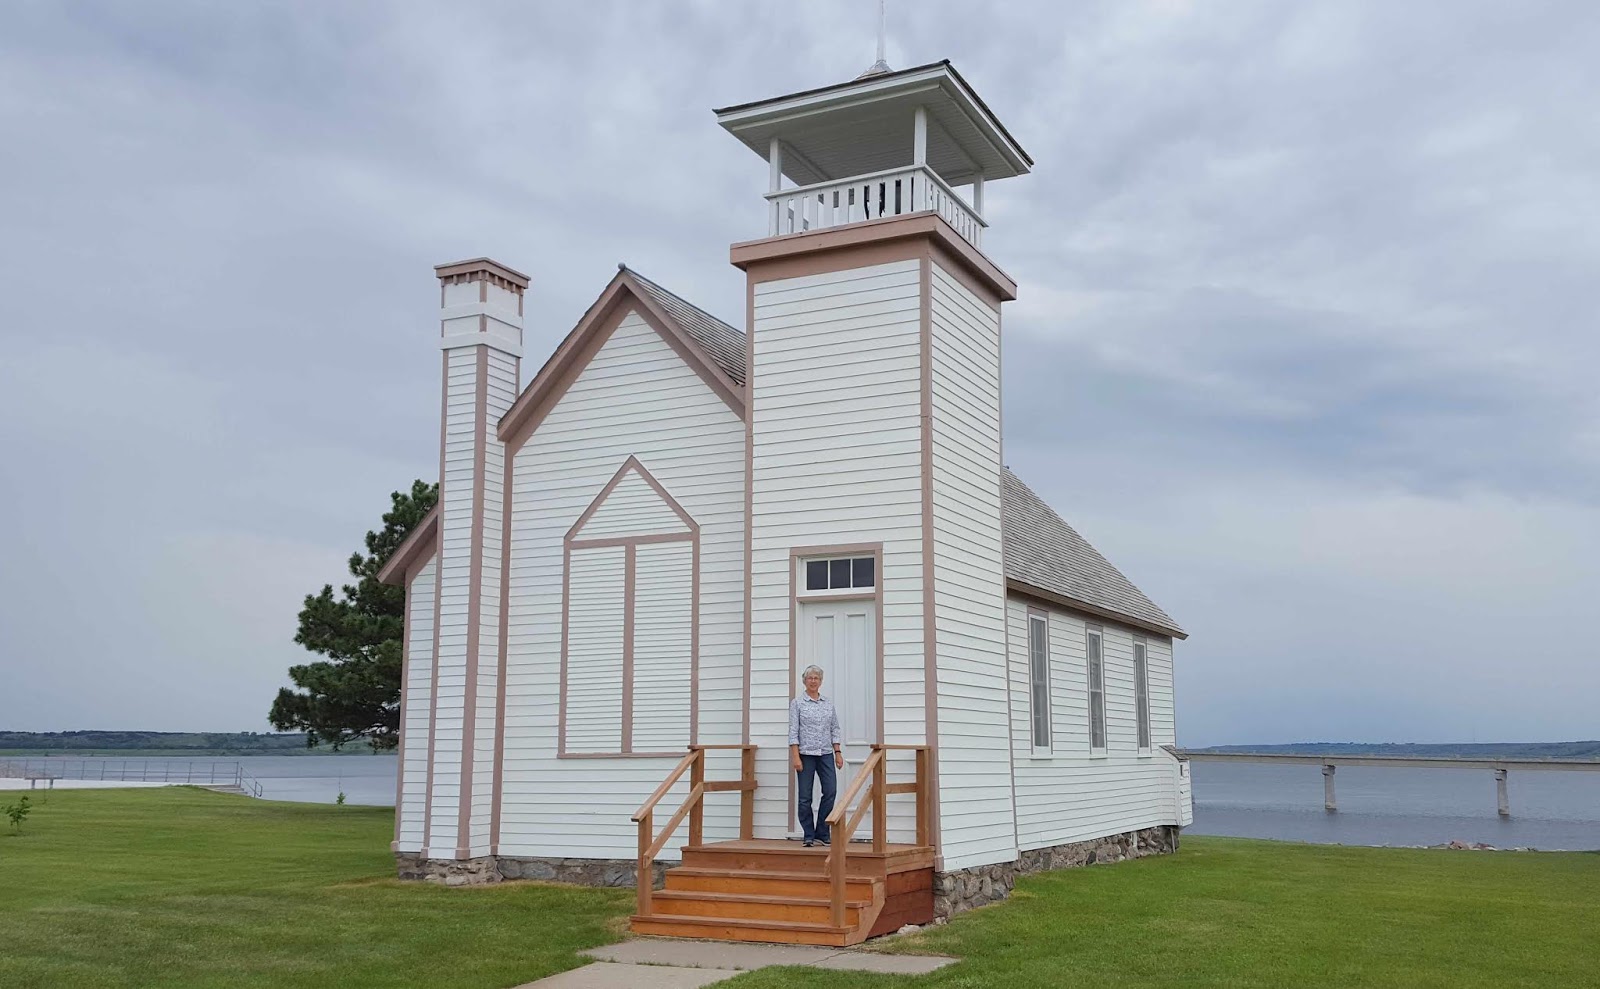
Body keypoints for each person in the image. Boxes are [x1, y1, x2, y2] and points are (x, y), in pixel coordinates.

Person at [788, 664, 844, 847]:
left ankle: (822, 831)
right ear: (805, 681)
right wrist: (795, 756)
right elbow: (793, 731)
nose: (813, 681)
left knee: (830, 791)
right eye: (810, 678)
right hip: (805, 754)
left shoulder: (827, 704)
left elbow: (834, 728)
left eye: (816, 678)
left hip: (826, 753)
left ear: (821, 682)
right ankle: (808, 834)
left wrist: (838, 752)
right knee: (805, 796)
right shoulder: (797, 703)